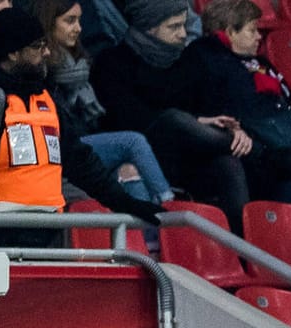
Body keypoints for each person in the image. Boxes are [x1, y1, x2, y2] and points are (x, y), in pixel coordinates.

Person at [0, 8, 165, 244]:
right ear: (12, 53)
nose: (46, 52)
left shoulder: (45, 98)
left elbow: (80, 162)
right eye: (37, 46)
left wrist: (126, 203)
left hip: (49, 231)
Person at [90, 0, 253, 225]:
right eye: (173, 27)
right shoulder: (112, 62)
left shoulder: (189, 61)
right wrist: (196, 121)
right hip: (142, 151)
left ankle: (240, 250)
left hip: (185, 156)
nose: (182, 34)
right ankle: (239, 144)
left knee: (229, 165)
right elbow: (127, 117)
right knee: (174, 119)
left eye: (183, 26)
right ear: (150, 27)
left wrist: (232, 127)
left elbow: (210, 107)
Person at [181, 0, 291, 207]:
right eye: (252, 30)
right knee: (290, 191)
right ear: (230, 32)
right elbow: (197, 112)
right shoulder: (202, 59)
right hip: (255, 162)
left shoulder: (262, 64)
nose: (259, 36)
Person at [37, 0, 177, 234]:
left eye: (80, 20)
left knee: (130, 171)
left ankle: (149, 243)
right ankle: (171, 213)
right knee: (133, 141)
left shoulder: (80, 64)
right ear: (50, 24)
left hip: (84, 145)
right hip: (62, 150)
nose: (79, 28)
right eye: (70, 21)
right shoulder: (42, 70)